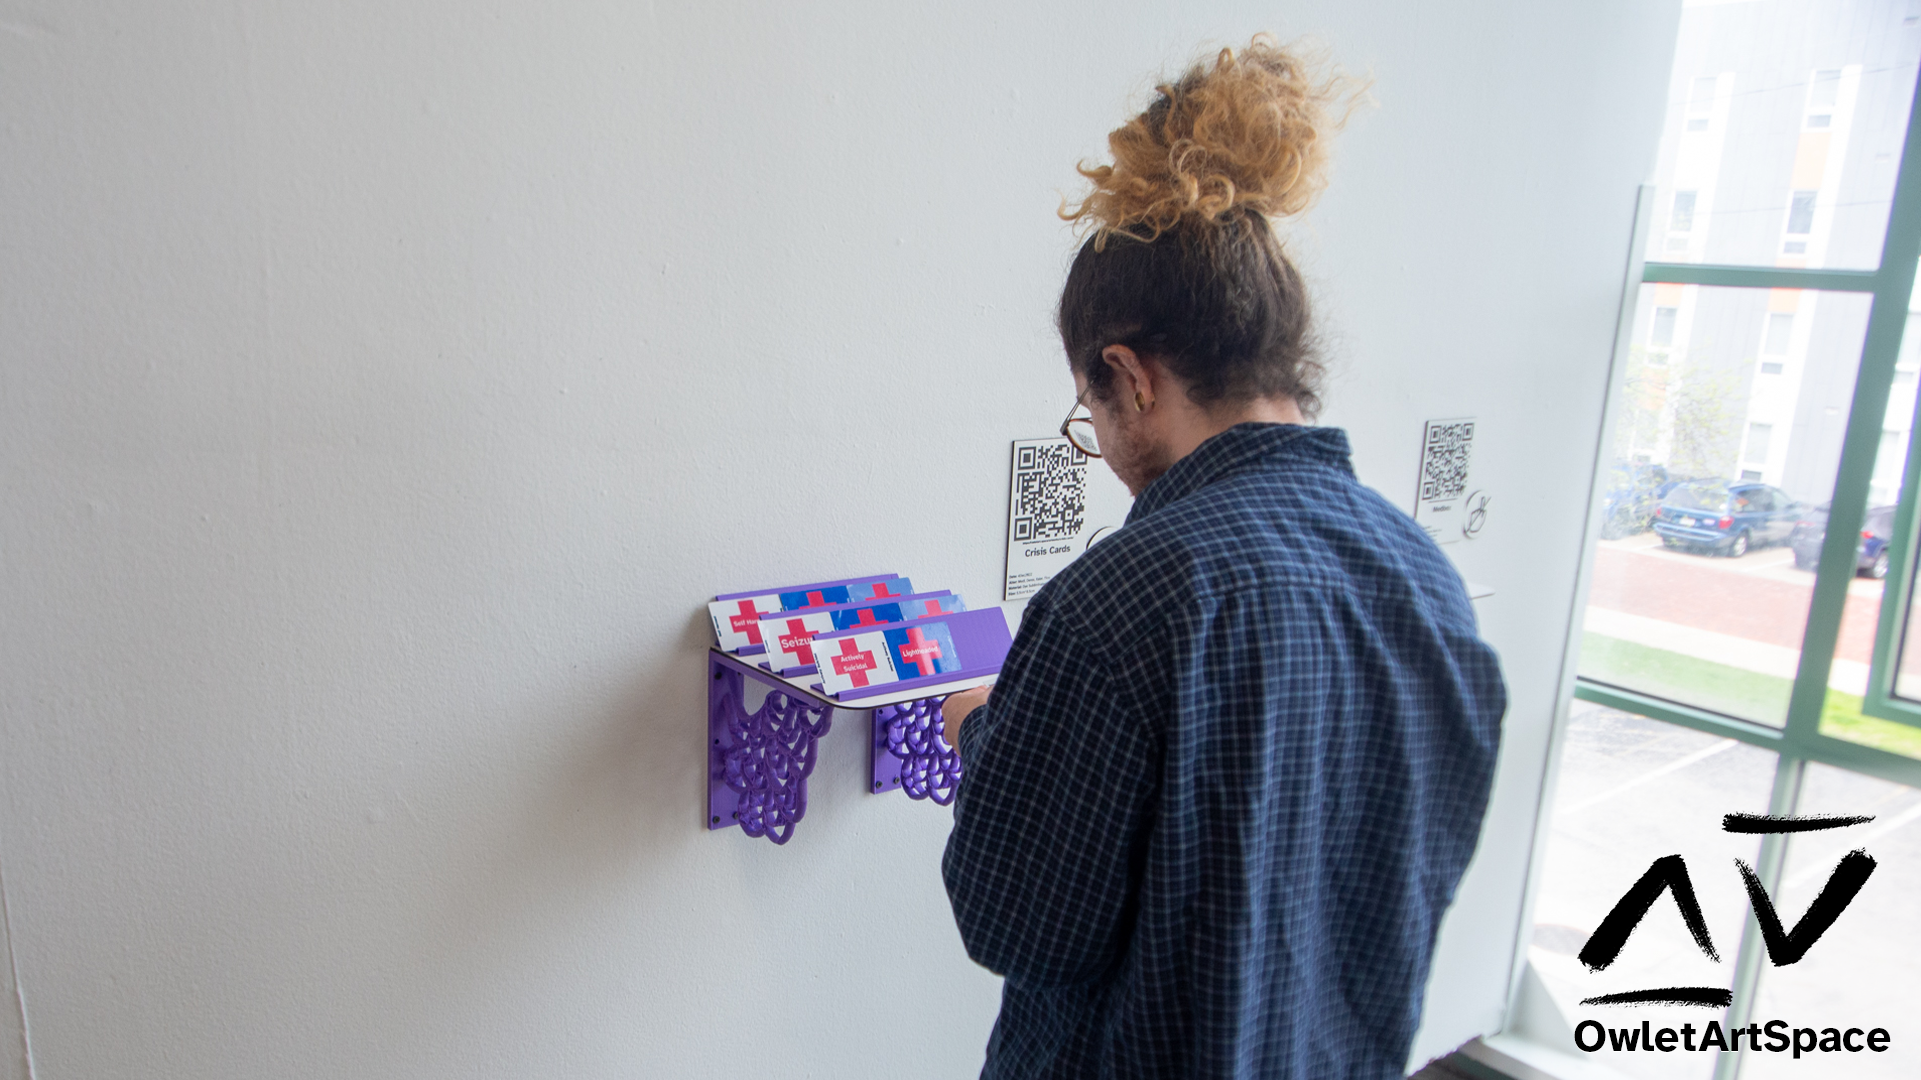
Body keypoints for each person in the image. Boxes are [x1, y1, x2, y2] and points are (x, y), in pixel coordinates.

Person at [938, 38, 1507, 1080]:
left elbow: (1016, 925)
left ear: (1127, 374)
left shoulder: (1123, 598)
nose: (1099, 447)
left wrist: (984, 736)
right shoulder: (1423, 578)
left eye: (1089, 412)